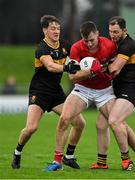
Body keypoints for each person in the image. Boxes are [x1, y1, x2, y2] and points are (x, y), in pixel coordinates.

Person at [11, 14, 85, 169]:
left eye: (58, 28)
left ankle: (68, 157)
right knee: (31, 127)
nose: (56, 31)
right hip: (39, 93)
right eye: (52, 28)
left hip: (56, 93)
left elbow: (80, 54)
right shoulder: (41, 48)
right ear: (45, 30)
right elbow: (51, 66)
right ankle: (17, 152)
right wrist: (66, 68)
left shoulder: (65, 45)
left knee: (79, 123)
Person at [44, 21, 117, 171]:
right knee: (64, 118)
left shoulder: (109, 46)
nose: (89, 44)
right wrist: (91, 71)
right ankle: (57, 161)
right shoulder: (76, 48)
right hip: (83, 89)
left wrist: (104, 69)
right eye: (86, 41)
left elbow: (116, 66)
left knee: (118, 123)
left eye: (92, 40)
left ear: (97, 34)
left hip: (105, 91)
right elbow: (72, 77)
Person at [91, 16, 135, 171]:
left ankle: (127, 161)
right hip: (115, 90)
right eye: (110, 32)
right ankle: (106, 162)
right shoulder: (112, 43)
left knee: (115, 121)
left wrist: (98, 68)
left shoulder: (129, 44)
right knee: (101, 124)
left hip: (131, 89)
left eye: (116, 32)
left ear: (124, 31)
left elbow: (115, 69)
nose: (113, 35)